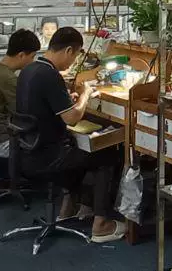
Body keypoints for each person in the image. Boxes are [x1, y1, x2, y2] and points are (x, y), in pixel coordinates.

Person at [16, 27, 126, 242]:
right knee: (107, 154)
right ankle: (101, 225)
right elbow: (72, 119)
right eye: (75, 56)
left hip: (29, 150)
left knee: (79, 146)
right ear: (68, 50)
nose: (73, 62)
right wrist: (85, 95)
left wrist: (68, 100)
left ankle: (69, 208)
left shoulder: (30, 69)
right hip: (48, 155)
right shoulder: (50, 75)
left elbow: (45, 106)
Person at [0, 30, 41, 158]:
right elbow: (26, 112)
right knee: (54, 141)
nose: (32, 61)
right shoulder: (7, 78)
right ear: (21, 55)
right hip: (4, 142)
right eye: (32, 57)